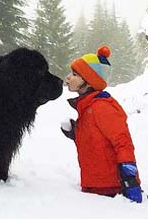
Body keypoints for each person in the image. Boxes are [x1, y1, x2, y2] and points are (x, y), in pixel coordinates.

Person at [61, 45, 143, 203]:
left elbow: (122, 141)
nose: (68, 78)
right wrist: (76, 135)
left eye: (75, 74)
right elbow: (97, 143)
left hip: (113, 191)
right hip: (95, 188)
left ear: (89, 82)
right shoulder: (87, 107)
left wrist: (130, 178)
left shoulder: (102, 106)